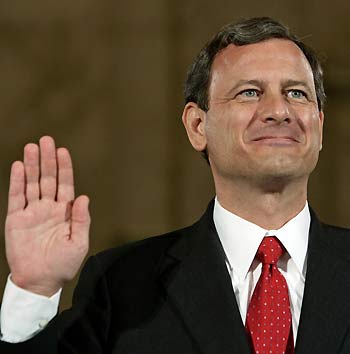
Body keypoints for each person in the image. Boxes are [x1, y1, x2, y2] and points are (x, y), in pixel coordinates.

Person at [0, 16, 349, 354]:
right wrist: (34, 290)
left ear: (318, 125)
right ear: (198, 125)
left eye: (297, 93)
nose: (279, 110)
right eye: (249, 92)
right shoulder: (122, 284)